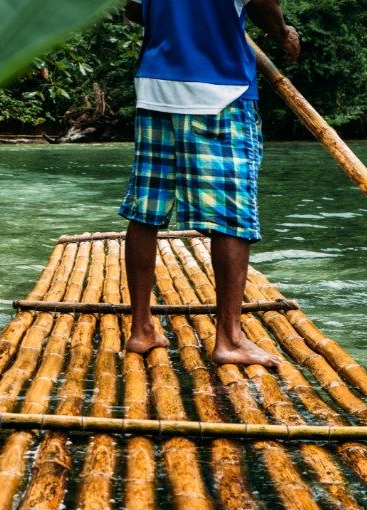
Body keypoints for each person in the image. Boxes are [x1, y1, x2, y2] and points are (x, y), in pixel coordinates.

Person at [120, 0, 300, 366]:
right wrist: (282, 34)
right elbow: (264, 4)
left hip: (155, 89)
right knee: (232, 216)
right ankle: (230, 339)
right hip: (220, 91)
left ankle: (141, 330)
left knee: (146, 209)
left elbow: (134, 9)